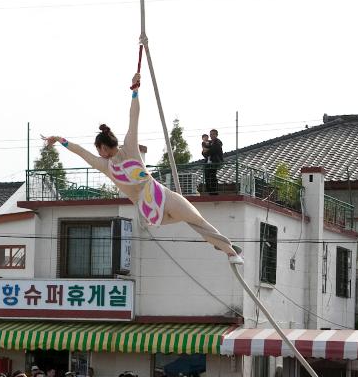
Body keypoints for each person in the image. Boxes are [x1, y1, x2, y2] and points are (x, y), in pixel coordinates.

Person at [46, 72, 242, 262]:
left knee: (196, 222)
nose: (97, 153)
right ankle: (230, 250)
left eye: (98, 149)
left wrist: (60, 139)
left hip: (152, 212)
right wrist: (134, 90)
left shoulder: (115, 158)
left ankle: (225, 246)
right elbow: (126, 123)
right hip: (161, 198)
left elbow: (129, 120)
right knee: (198, 222)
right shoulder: (117, 157)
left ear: (103, 147)